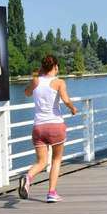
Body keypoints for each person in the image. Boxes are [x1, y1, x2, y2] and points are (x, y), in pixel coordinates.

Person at [18, 55, 78, 203]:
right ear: (55, 67)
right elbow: (65, 99)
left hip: (38, 127)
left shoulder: (36, 81)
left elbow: (26, 93)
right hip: (55, 125)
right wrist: (73, 108)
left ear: (42, 67)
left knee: (41, 161)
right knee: (56, 160)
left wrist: (37, 76)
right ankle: (51, 193)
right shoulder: (59, 82)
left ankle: (28, 177)